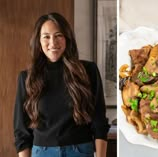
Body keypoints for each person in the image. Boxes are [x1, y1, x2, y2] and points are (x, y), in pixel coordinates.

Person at [13, 12, 110, 157]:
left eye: (58, 35)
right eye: (46, 37)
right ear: (39, 42)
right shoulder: (26, 78)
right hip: (42, 153)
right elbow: (21, 131)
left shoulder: (88, 71)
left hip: (80, 151)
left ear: (67, 39)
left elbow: (99, 120)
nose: (53, 43)